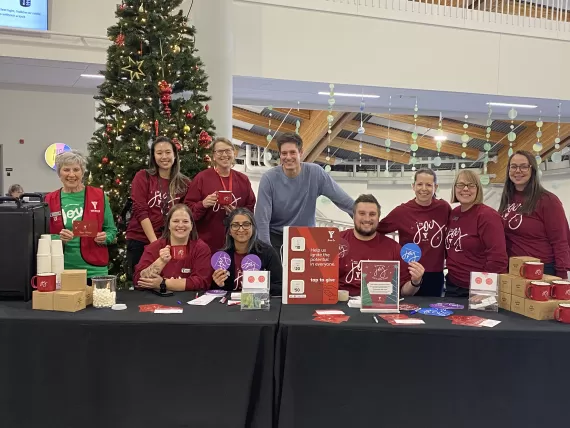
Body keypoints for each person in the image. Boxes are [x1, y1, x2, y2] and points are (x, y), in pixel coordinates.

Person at [255, 132, 354, 255]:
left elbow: (343, 200)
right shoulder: (268, 179)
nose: (288, 157)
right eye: (284, 153)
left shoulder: (315, 173)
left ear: (301, 153)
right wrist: (266, 251)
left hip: (307, 237)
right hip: (276, 237)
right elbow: (262, 218)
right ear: (280, 155)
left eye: (292, 152)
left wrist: (363, 216)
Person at [377, 168, 451, 297]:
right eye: (420, 184)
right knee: (407, 312)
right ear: (413, 186)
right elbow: (378, 229)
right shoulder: (402, 211)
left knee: (432, 313)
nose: (424, 188)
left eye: (429, 185)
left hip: (435, 274)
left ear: (435, 187)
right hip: (409, 274)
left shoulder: (444, 208)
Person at [45, 151, 117, 281]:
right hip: (61, 269)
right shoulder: (49, 199)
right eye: (66, 170)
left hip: (95, 271)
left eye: (76, 170)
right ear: (59, 174)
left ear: (83, 173)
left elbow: (111, 231)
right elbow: (42, 236)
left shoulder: (99, 196)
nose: (71, 174)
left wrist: (105, 237)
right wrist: (58, 238)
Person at [126, 136, 190, 281]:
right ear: (153, 156)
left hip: (170, 242)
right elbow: (140, 210)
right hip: (140, 240)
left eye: (168, 152)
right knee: (142, 283)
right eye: (159, 153)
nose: (164, 157)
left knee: (167, 283)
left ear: (175, 155)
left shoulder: (184, 183)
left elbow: (187, 215)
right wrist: (156, 245)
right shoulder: (143, 177)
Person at [499, 150, 570, 278]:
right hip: (514, 268)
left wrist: (562, 275)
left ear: (533, 170)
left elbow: (561, 240)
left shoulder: (547, 200)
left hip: (541, 270)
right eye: (513, 166)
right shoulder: (508, 199)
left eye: (524, 166)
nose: (518, 170)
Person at [339, 194, 425, 297]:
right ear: (354, 215)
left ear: (378, 217)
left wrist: (415, 281)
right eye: (362, 213)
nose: (367, 219)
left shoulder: (394, 248)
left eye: (372, 214)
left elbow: (404, 292)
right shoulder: (335, 242)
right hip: (342, 305)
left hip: (379, 306)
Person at [184, 137, 256, 253]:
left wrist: (237, 213)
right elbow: (187, 211)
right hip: (207, 244)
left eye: (228, 151)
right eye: (220, 151)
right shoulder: (201, 178)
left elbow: (250, 210)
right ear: (213, 155)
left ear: (234, 153)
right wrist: (203, 204)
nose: (224, 155)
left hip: (237, 244)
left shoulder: (243, 180)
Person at [445, 170, 508, 297]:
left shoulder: (487, 216)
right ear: (455, 188)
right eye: (461, 185)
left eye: (471, 185)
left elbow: (498, 258)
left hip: (476, 289)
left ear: (478, 189)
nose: (465, 189)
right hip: (453, 285)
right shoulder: (454, 213)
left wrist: (485, 289)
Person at [134, 204, 212, 292]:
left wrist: (163, 283)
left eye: (185, 221)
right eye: (176, 221)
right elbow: (138, 281)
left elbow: (202, 282)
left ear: (192, 226)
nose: (180, 225)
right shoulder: (155, 247)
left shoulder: (201, 248)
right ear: (168, 225)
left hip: (190, 301)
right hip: (158, 300)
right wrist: (161, 261)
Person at [211, 208, 282, 296]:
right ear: (229, 230)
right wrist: (219, 285)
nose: (241, 229)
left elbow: (280, 286)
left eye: (246, 224)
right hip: (228, 306)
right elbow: (213, 289)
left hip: (257, 304)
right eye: (235, 225)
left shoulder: (268, 252)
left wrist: (261, 285)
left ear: (253, 228)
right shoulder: (221, 257)